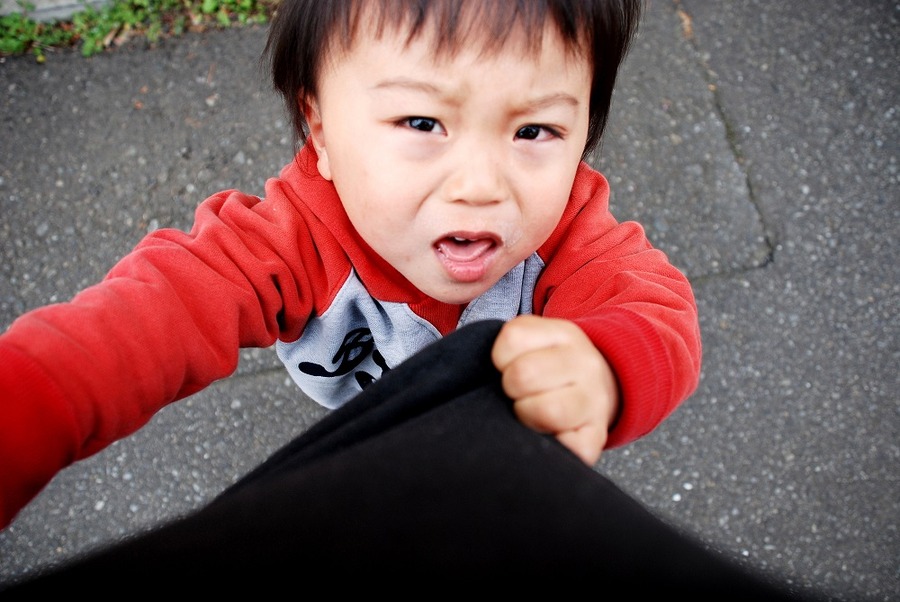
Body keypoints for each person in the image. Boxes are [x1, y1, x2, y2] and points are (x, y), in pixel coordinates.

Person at [0, 2, 830, 598]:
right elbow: (144, 318)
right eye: (423, 123)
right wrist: (28, 405)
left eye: (534, 132)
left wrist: (607, 365)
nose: (481, 186)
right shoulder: (290, 239)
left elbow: (657, 311)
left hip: (496, 458)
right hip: (368, 419)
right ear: (320, 132)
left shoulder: (571, 234)